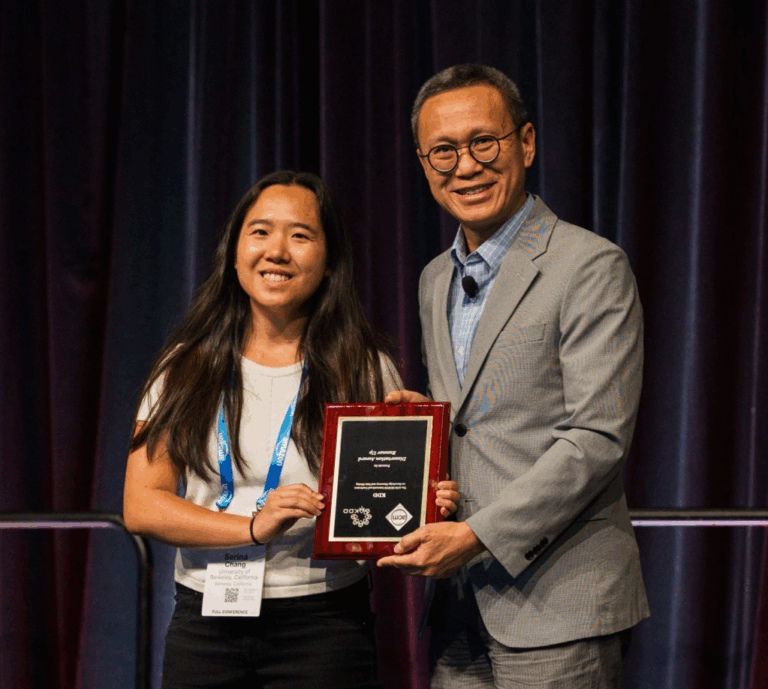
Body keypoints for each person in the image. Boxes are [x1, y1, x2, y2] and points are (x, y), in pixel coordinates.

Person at [123, 170, 459, 689]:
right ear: (234, 254)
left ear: (328, 264)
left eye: (300, 235)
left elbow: (387, 504)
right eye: (260, 232)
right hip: (206, 620)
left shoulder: (365, 368)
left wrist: (425, 488)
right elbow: (143, 504)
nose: (277, 250)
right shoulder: (183, 367)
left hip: (324, 627)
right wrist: (252, 528)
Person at [378, 64, 649, 688]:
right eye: (443, 150)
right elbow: (477, 420)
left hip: (559, 603)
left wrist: (475, 535)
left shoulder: (589, 265)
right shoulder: (433, 280)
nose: (465, 166)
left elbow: (597, 437)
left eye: (483, 142)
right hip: (458, 606)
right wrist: (420, 427)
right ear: (423, 164)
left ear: (525, 143)